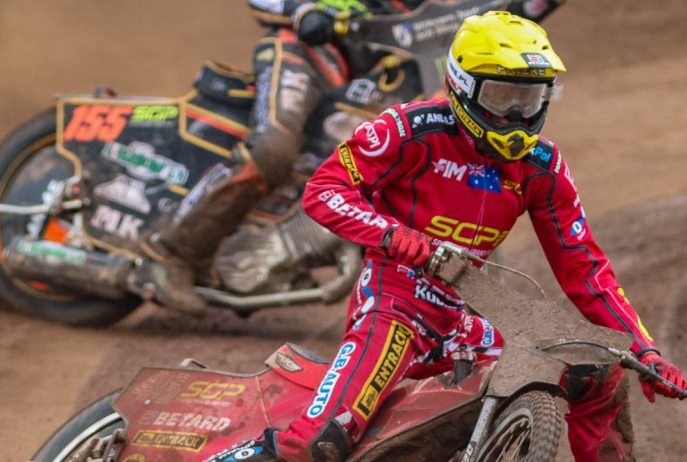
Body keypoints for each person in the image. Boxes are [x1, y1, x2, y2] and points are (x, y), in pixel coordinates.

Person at [87, 9, 687, 462]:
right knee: (316, 441)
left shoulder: (542, 167)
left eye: (532, 98)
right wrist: (400, 239)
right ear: (463, 86)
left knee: (598, 372)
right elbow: (324, 191)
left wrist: (642, 348)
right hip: (396, 301)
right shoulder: (410, 129)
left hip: (468, 316)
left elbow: (585, 268)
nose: (518, 116)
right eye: (503, 97)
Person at [130, 0, 568, 314]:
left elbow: (508, 11)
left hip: (378, 76)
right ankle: (168, 255)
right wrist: (304, 10)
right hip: (306, 52)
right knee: (273, 149)